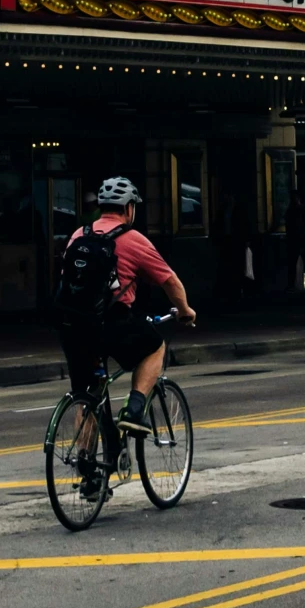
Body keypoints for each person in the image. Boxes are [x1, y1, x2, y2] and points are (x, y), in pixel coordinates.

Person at [54, 175, 197, 437]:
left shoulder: (78, 235)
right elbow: (170, 282)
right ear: (129, 208)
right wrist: (185, 310)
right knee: (154, 347)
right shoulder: (133, 239)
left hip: (71, 326)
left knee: (87, 397)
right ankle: (134, 409)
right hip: (110, 324)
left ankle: (86, 471)